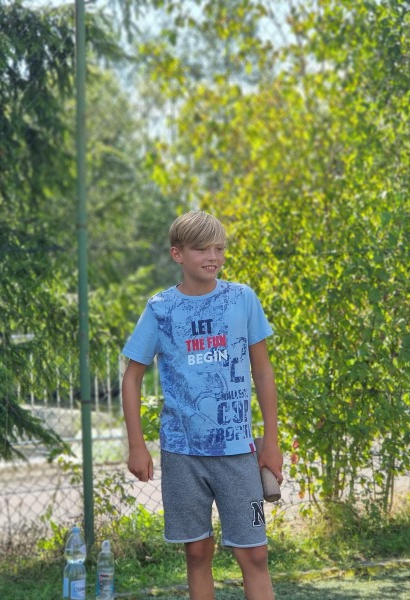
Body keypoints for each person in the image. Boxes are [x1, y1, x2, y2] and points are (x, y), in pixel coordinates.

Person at [122, 210, 282, 600]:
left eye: (219, 249)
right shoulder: (160, 308)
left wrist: (272, 442)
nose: (213, 257)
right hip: (182, 454)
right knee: (196, 553)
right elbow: (132, 377)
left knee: (254, 554)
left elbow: (263, 373)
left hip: (238, 453)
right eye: (201, 249)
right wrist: (137, 445)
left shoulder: (242, 299)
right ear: (177, 254)